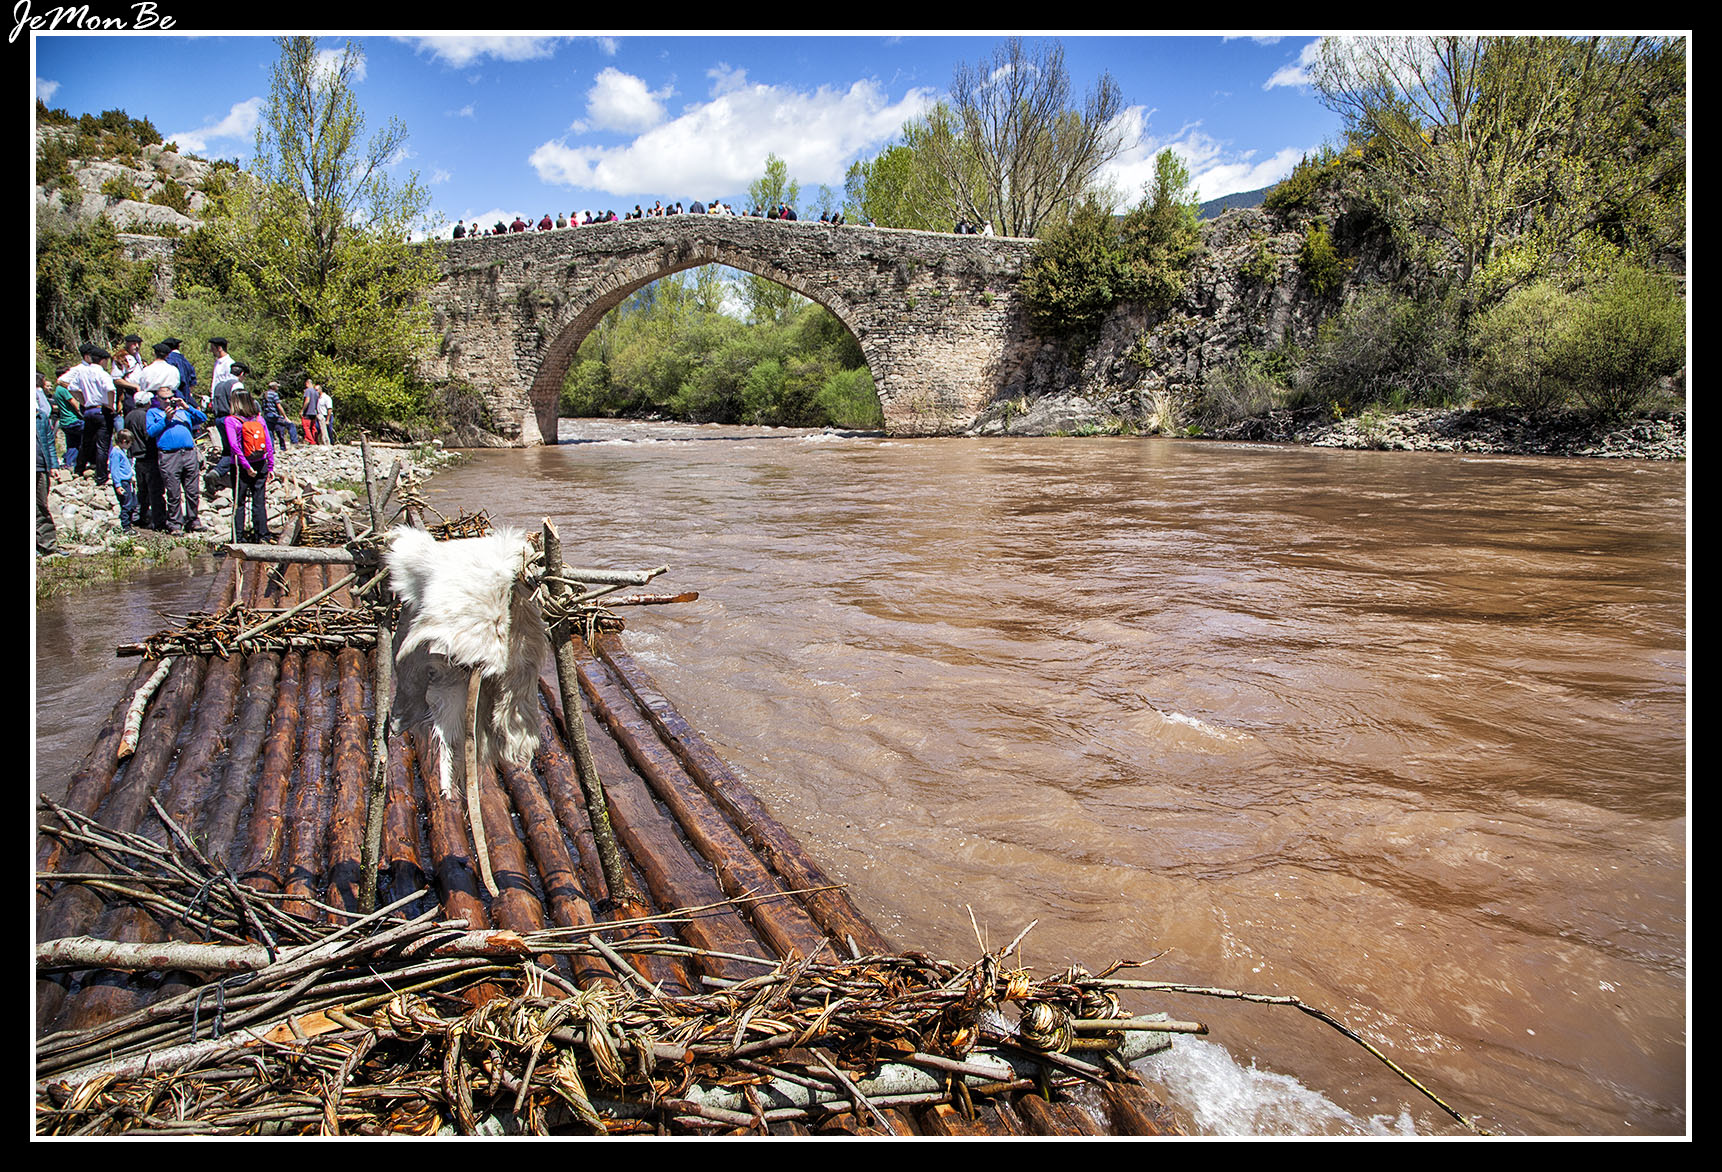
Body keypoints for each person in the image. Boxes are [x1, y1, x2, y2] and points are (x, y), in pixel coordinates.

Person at [146, 376, 206, 534]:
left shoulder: (183, 412)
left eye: (170, 398)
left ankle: (193, 520)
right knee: (173, 491)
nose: (168, 401)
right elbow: (151, 431)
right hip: (169, 455)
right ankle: (175, 523)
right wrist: (166, 419)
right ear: (158, 399)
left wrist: (187, 407)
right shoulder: (153, 412)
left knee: (192, 490)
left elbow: (202, 418)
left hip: (189, 453)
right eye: (164, 398)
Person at [222, 388, 275, 544]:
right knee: (259, 501)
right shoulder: (259, 419)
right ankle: (262, 536)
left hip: (240, 466)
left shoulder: (231, 420)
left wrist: (245, 465)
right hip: (260, 463)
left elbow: (234, 446)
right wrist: (270, 466)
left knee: (239, 502)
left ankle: (237, 538)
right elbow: (268, 444)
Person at [68, 345, 116, 484]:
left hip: (89, 410)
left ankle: (79, 468)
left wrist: (83, 401)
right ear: (102, 360)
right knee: (102, 445)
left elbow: (71, 388)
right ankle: (101, 475)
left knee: (86, 441)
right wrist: (110, 405)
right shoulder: (102, 373)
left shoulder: (83, 372)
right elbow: (110, 389)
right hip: (102, 410)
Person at [124, 389, 165, 530]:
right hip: (149, 455)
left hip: (136, 457)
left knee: (142, 490)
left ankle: (140, 516)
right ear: (148, 403)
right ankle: (158, 520)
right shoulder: (146, 416)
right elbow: (149, 435)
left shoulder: (129, 416)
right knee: (155, 490)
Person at [37, 376, 60, 557]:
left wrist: (53, 465)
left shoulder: (41, 417)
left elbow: (49, 443)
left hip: (40, 466)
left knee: (41, 506)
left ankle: (47, 545)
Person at [109, 429, 138, 532]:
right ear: (124, 441)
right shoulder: (116, 453)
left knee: (133, 503)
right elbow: (115, 470)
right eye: (130, 443)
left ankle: (129, 524)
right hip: (122, 482)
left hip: (127, 481)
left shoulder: (121, 452)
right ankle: (125, 527)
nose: (130, 445)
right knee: (126, 504)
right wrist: (118, 485)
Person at [301, 377, 320, 444]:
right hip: (314, 412)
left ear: (307, 383)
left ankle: (311, 441)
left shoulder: (308, 391)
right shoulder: (316, 392)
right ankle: (316, 440)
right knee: (313, 427)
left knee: (306, 427)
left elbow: (307, 400)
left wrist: (302, 410)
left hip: (308, 412)